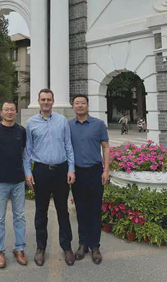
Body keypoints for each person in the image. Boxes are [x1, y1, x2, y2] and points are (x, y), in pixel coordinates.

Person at [24, 89, 76, 267]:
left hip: (61, 171)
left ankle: (67, 246)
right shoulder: (31, 123)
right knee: (41, 212)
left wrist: (71, 168)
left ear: (53, 101)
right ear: (39, 101)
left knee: (63, 211)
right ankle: (40, 248)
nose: (46, 102)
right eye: (43, 99)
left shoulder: (62, 121)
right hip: (41, 172)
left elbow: (68, 145)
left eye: (49, 99)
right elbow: (27, 151)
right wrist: (28, 172)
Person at [0, 101, 27, 269]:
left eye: (12, 109)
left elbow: (24, 153)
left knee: (20, 217)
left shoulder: (21, 131)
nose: (9, 112)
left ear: (16, 112)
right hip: (0, 181)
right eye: (6, 109)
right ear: (1, 112)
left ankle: (20, 249)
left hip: (18, 181)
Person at [69, 95, 110, 265]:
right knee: (81, 210)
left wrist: (106, 169)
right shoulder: (68, 125)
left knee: (94, 209)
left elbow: (106, 147)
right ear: (73, 106)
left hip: (95, 171)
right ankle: (83, 244)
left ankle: (95, 246)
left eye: (82, 103)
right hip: (77, 173)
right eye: (77, 103)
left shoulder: (98, 124)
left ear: (87, 105)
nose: (79, 106)